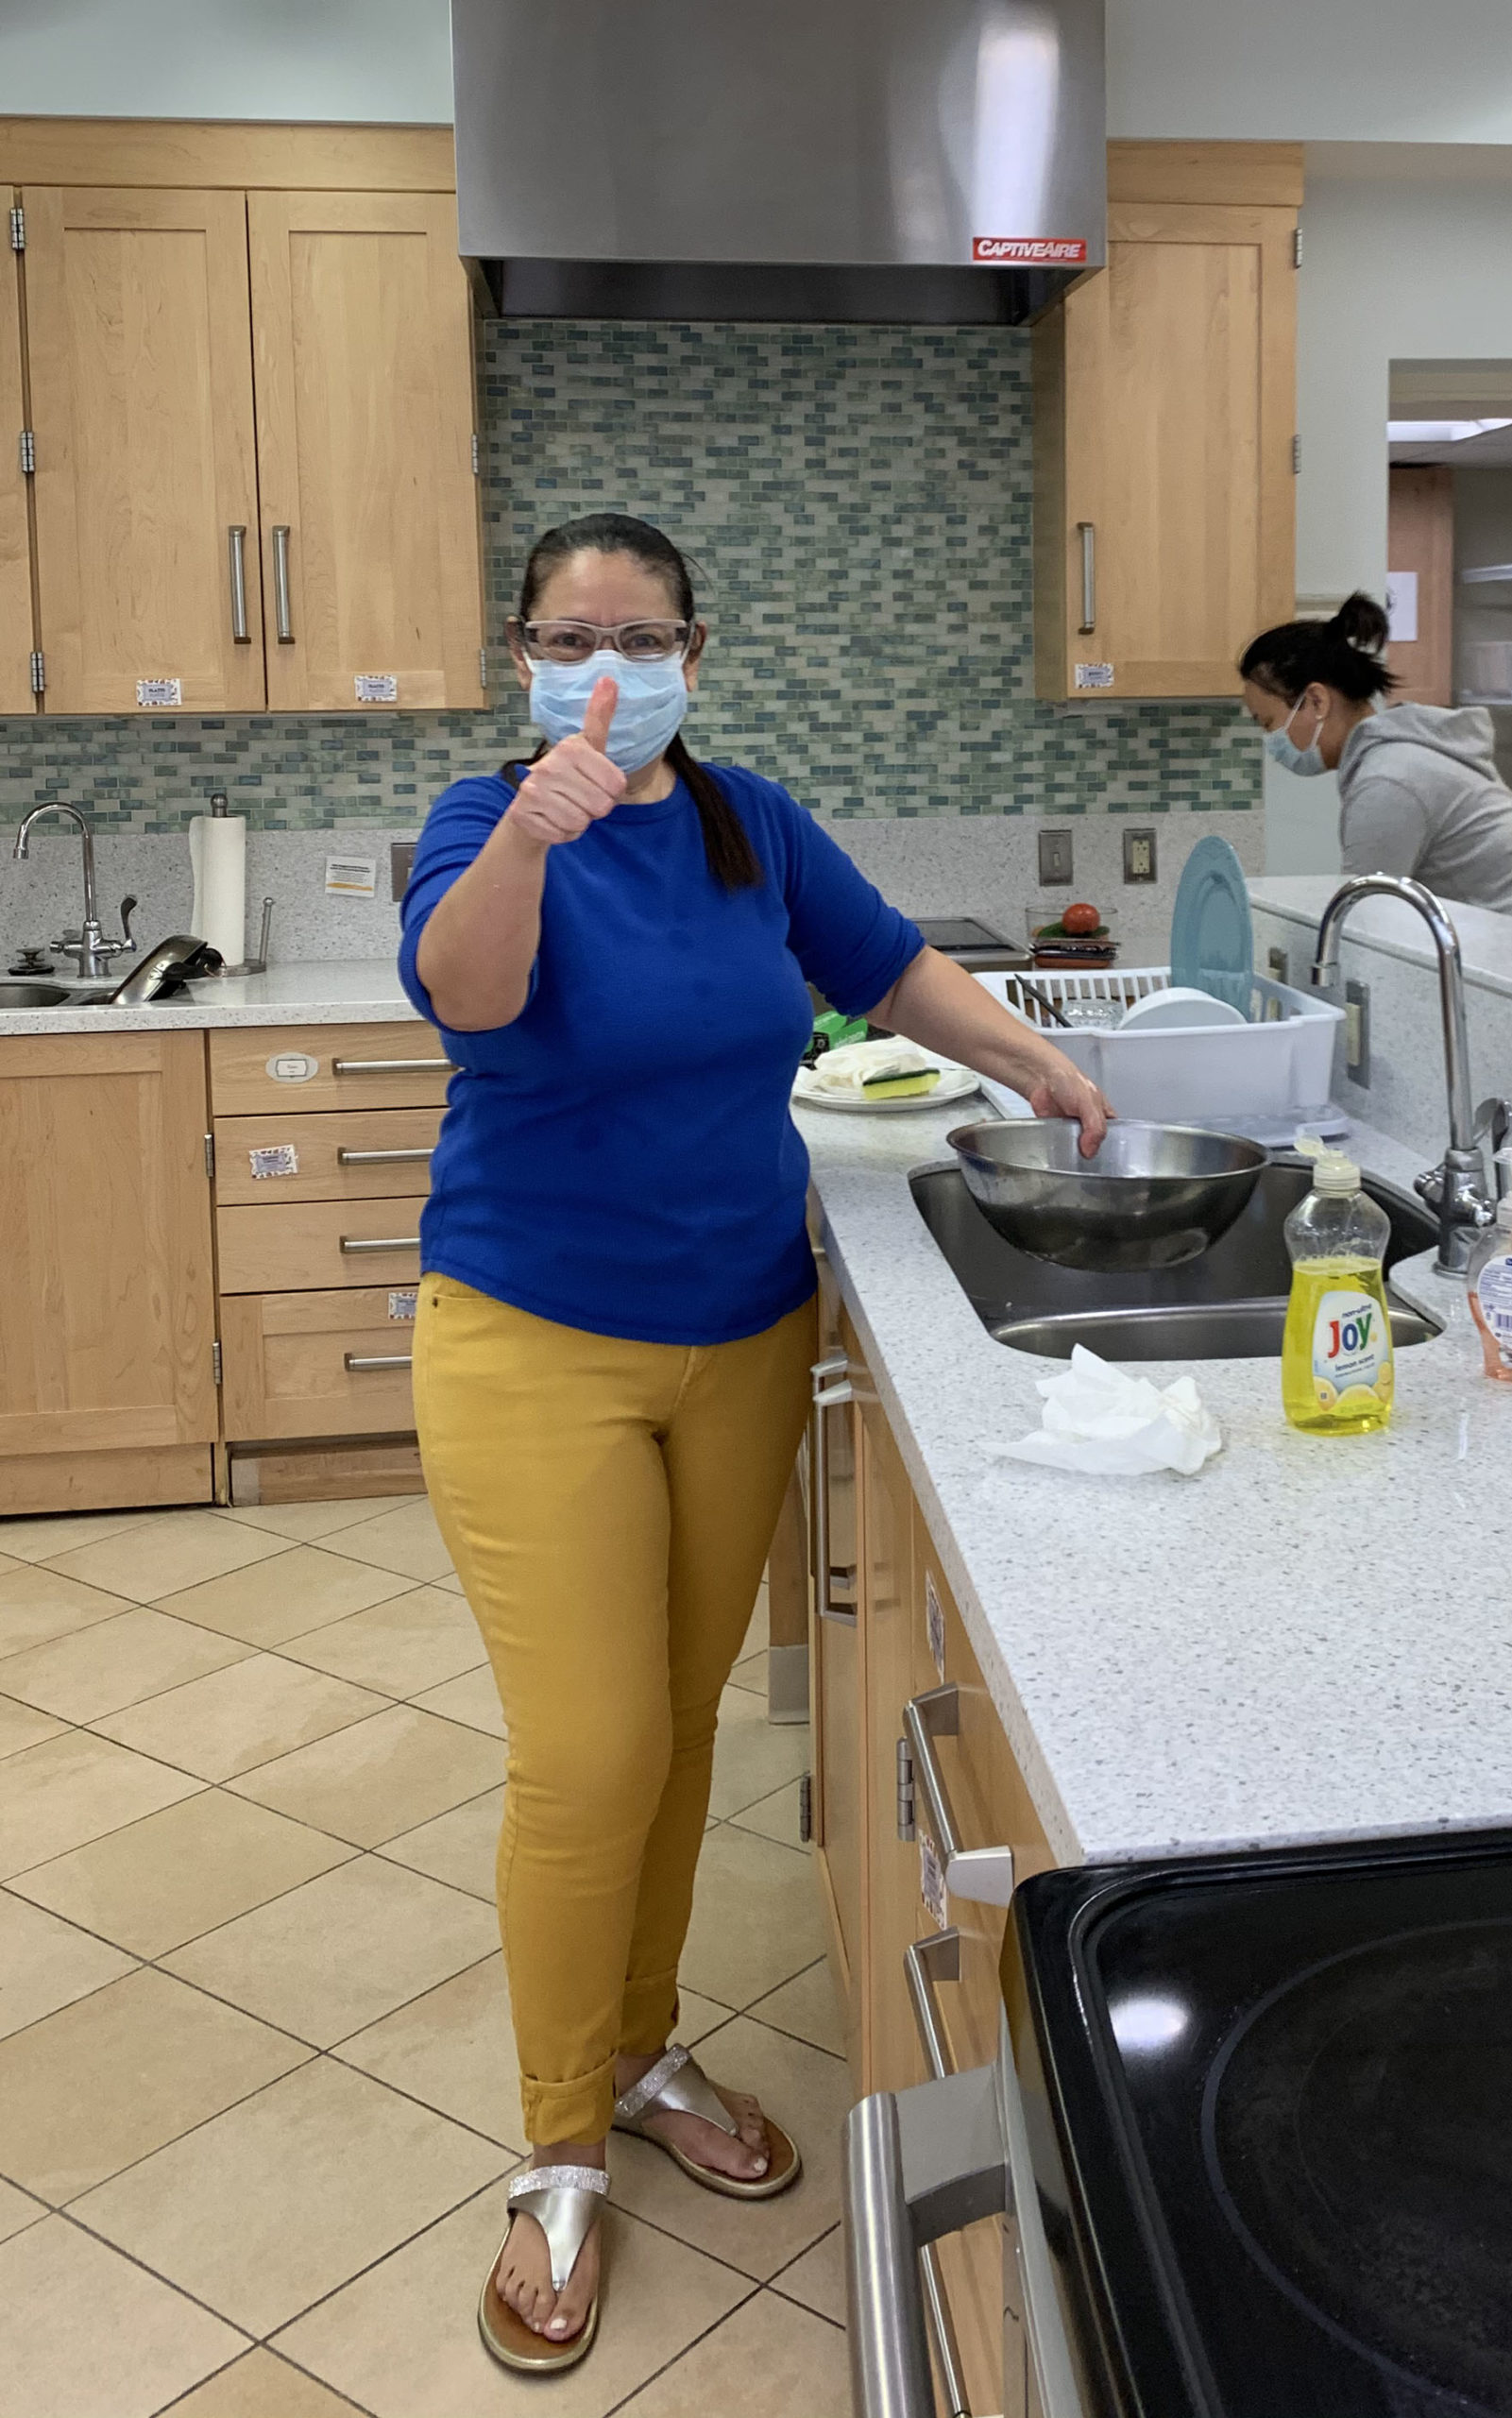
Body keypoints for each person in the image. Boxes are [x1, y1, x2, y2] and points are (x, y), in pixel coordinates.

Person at [401, 511, 1110, 2375]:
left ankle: (642, 2052)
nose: (609, 663)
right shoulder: (487, 826)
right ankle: (556, 2148)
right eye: (574, 632)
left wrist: (1034, 1056)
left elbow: (884, 968)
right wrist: (542, 833)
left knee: (687, 1720)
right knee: (589, 1749)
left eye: (643, 635)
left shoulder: (748, 824)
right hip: (530, 1339)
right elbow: (466, 998)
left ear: (695, 657)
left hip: (736, 1333)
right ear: (523, 650)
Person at [1240, 592, 1512, 932]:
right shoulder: (1395, 755)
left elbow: (1363, 919)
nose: (1272, 741)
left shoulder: (1389, 780)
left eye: (1267, 722)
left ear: (1316, 701)